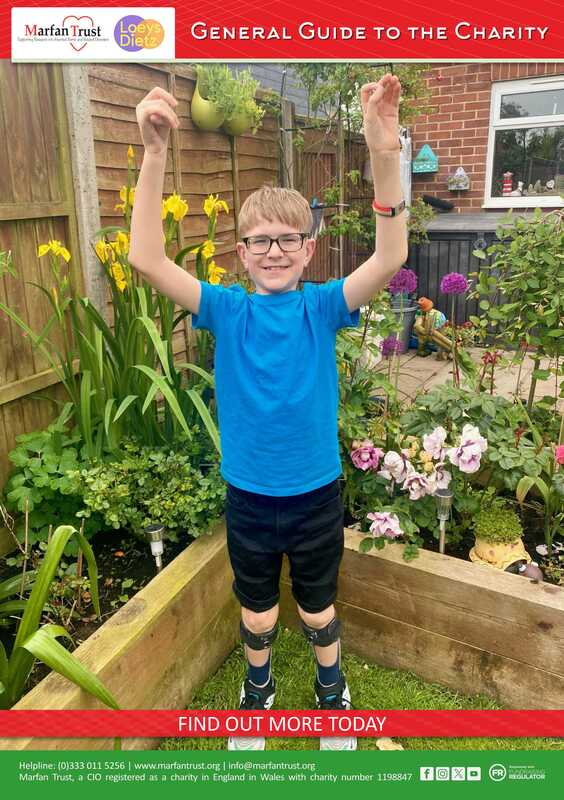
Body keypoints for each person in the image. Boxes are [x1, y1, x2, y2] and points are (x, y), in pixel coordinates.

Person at [129, 74, 407, 751]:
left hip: (315, 495)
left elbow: (391, 254)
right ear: (242, 253)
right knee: (256, 613)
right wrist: (155, 154)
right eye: (260, 241)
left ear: (309, 249)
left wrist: (384, 150)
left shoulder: (323, 306)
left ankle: (331, 690)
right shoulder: (228, 310)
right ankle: (259, 692)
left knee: (316, 606)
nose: (275, 250)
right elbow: (145, 257)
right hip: (249, 497)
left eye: (288, 239)